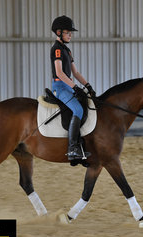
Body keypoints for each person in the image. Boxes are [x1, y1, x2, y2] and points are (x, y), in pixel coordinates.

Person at [50, 15, 96, 163]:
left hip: (68, 86)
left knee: (85, 104)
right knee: (77, 110)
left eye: (71, 33)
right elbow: (59, 73)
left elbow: (75, 73)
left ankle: (81, 144)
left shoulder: (67, 50)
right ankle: (72, 148)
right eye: (68, 32)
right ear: (59, 33)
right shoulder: (56, 49)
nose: (70, 35)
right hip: (60, 86)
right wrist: (75, 87)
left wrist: (87, 85)